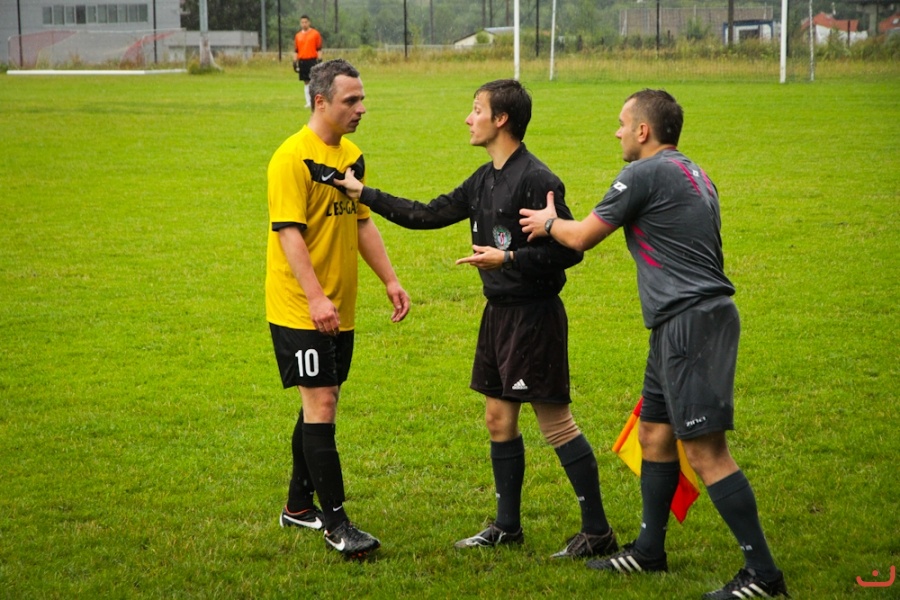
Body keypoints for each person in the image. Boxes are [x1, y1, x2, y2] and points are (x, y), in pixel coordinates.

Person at [519, 89, 788, 598]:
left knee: (706, 451)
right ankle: (648, 552)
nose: (617, 131)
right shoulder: (694, 171)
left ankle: (764, 575)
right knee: (654, 436)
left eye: (622, 123)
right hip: (679, 322)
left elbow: (582, 236)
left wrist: (547, 222)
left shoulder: (643, 173)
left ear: (644, 130)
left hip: (691, 322)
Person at [334, 79, 619, 560]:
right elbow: (426, 214)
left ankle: (597, 531)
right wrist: (363, 193)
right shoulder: (484, 178)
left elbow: (570, 252)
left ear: (501, 119)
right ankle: (507, 527)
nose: (469, 119)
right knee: (497, 419)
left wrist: (508, 260)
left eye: (476, 110)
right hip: (498, 315)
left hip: (534, 316)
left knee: (556, 424)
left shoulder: (537, 180)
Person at [266, 58, 410, 560]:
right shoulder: (291, 158)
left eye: (362, 98)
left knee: (320, 402)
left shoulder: (351, 156)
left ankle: (296, 506)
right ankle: (337, 524)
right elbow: (289, 234)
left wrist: (390, 279)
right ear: (321, 101)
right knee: (322, 402)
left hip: (339, 306)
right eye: (351, 100)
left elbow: (361, 221)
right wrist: (314, 297)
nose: (361, 108)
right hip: (299, 306)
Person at [293, 15, 323, 108]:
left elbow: (319, 48)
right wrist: (294, 62)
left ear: (309, 22)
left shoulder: (315, 34)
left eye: (306, 22)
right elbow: (296, 50)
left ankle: (316, 101)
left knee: (314, 80)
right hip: (302, 61)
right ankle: (308, 102)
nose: (304, 24)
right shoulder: (298, 36)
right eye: (302, 22)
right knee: (306, 81)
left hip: (312, 60)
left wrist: (320, 60)